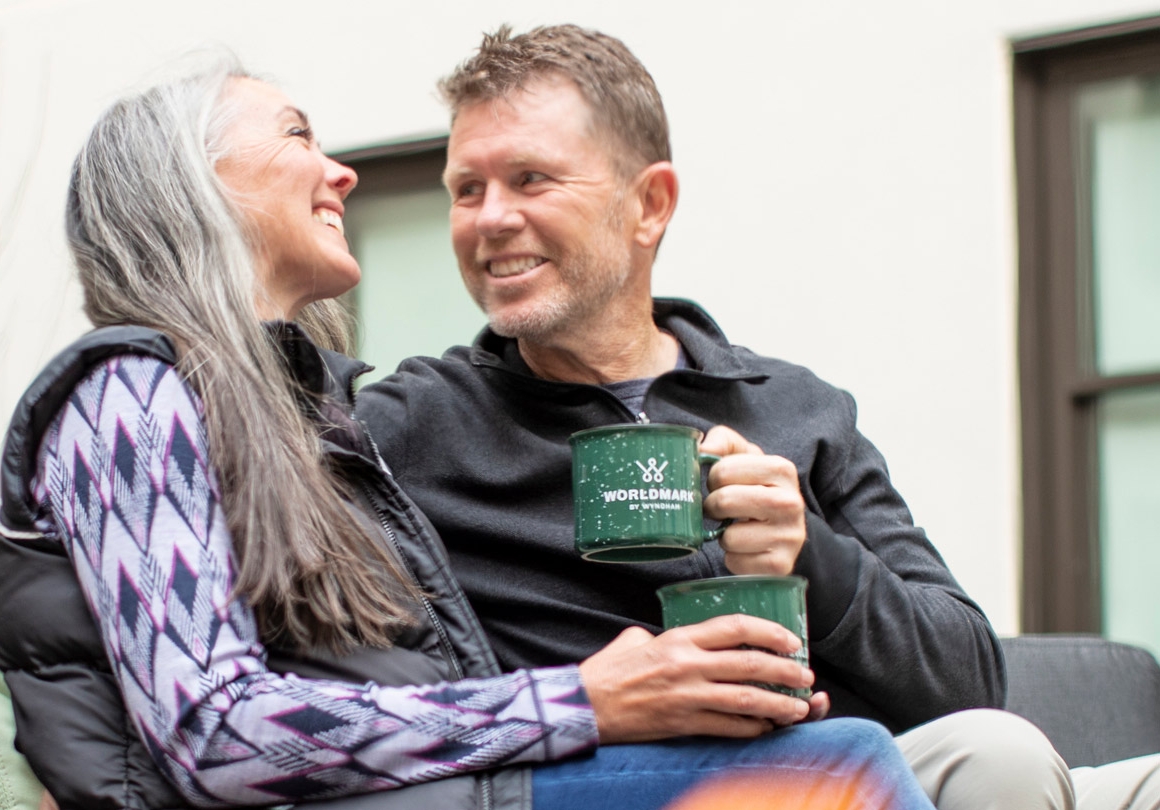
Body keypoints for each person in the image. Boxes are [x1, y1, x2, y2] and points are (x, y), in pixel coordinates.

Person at [0, 56, 936, 810]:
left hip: (444, 790)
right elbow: (212, 730)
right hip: (421, 796)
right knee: (836, 772)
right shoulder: (131, 393)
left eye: (531, 178)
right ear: (197, 185)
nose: (343, 171)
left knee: (855, 756)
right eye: (298, 135)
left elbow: (963, 671)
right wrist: (586, 701)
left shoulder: (300, 418)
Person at [352, 24, 1160, 810]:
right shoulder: (405, 430)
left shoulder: (795, 407)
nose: (490, 217)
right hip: (653, 786)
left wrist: (813, 555)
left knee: (1044, 759)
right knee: (1000, 759)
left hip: (869, 762)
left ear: (650, 204)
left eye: (531, 180)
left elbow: (969, 678)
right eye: (467, 189)